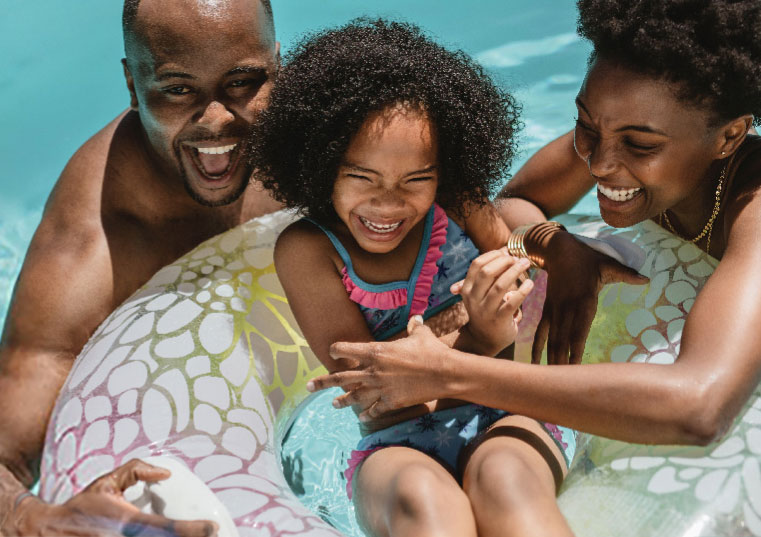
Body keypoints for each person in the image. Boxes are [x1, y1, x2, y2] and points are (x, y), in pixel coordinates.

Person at [308, 0, 761, 454]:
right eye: (585, 125)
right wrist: (560, 249)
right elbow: (516, 202)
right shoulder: (622, 129)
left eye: (640, 145)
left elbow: (701, 407)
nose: (599, 163)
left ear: (729, 137)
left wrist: (446, 371)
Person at [250, 19, 577, 537]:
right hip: (394, 443)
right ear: (320, 165)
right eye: (362, 177)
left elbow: (525, 288)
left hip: (506, 410)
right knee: (424, 503)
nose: (387, 203)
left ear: (442, 171)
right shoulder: (309, 250)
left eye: (416, 180)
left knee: (506, 480)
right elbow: (371, 389)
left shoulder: (460, 201)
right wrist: (480, 333)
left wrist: (543, 257)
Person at [0, 0, 281, 534]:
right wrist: (31, 518)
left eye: (243, 82)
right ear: (132, 86)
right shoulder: (98, 239)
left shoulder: (317, 141)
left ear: (278, 65)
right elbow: (5, 456)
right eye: (178, 90)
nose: (217, 119)